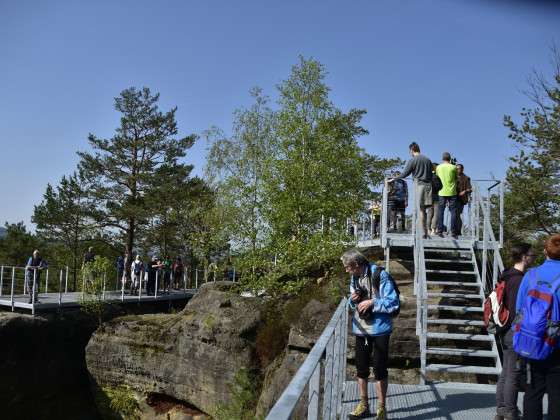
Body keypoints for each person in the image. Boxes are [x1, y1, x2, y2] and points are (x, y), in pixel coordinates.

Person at [342, 249, 399, 420]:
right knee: (361, 369)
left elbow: (393, 302)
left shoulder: (380, 275)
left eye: (347, 267)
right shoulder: (354, 278)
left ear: (356, 265)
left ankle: (381, 409)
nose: (346, 270)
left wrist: (372, 302)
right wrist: (353, 301)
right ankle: (364, 405)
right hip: (361, 329)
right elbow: (353, 307)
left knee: (380, 369)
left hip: (380, 329)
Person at [515, 234, 560, 420]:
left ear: (545, 251)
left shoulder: (531, 275)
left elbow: (519, 310)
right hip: (556, 343)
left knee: (533, 391)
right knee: (557, 394)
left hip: (531, 342)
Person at [495, 243, 535, 420]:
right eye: (532, 255)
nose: (533, 258)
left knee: (505, 372)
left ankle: (501, 410)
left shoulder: (505, 275)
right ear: (524, 257)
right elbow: (517, 308)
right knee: (513, 373)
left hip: (503, 329)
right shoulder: (520, 280)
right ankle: (510, 411)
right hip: (513, 329)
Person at [390, 142, 433, 238]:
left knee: (420, 210)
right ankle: (426, 231)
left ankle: (422, 233)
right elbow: (431, 174)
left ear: (412, 150)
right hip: (429, 186)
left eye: (409, 151)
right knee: (424, 210)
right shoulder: (428, 160)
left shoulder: (413, 160)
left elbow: (404, 174)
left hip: (419, 186)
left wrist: (393, 179)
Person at [435, 152, 458, 239]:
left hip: (441, 192)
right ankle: (453, 232)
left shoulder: (438, 167)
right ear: (450, 159)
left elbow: (437, 178)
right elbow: (456, 178)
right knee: (453, 212)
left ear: (442, 158)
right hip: (452, 192)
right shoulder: (453, 167)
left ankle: (440, 231)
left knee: (440, 211)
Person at [455, 163, 472, 236]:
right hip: (453, 198)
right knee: (454, 215)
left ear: (462, 169)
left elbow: (470, 189)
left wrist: (464, 191)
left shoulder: (466, 178)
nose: (458, 170)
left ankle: (458, 231)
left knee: (457, 214)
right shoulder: (453, 176)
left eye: (459, 169)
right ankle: (454, 230)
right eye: (456, 169)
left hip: (461, 199)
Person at [428, 163, 443, 235]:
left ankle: (428, 229)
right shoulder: (437, 177)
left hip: (428, 195)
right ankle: (433, 229)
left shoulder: (427, 176)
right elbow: (441, 186)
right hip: (436, 196)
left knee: (430, 212)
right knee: (436, 213)